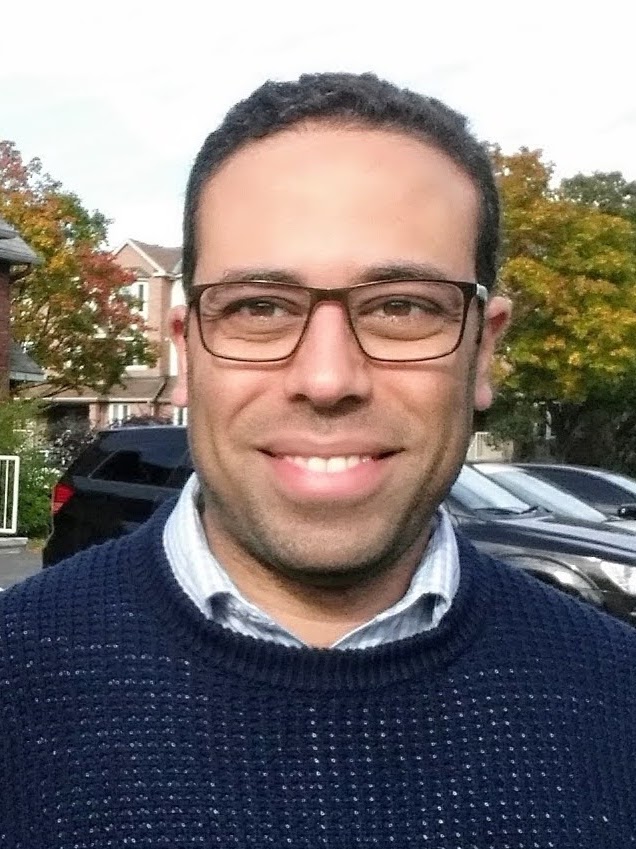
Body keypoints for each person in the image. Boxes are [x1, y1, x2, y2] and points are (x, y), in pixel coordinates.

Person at [1, 72, 635, 848]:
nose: (328, 379)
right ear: (186, 351)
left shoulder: (619, 702)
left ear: (482, 350)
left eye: (402, 305)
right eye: (259, 307)